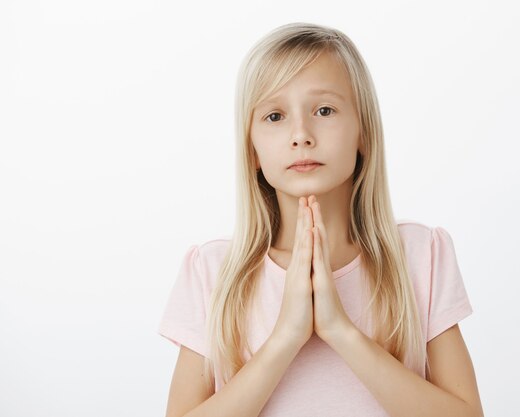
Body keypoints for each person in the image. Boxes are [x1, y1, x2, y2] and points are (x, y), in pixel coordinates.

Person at [157, 22, 484, 417]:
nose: (301, 134)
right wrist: (286, 337)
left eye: (324, 110)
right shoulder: (211, 272)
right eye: (275, 116)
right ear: (253, 150)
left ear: (363, 132)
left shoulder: (421, 256)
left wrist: (340, 330)